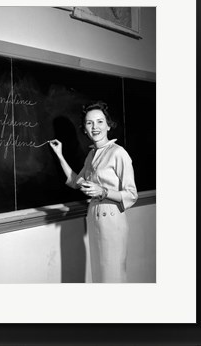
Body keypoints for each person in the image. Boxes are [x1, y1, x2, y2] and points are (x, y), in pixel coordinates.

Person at [49, 101, 137, 283]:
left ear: (108, 125)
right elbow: (76, 182)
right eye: (89, 123)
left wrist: (103, 191)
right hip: (94, 220)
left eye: (99, 121)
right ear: (85, 128)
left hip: (113, 221)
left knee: (112, 278)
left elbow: (131, 194)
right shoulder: (91, 155)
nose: (95, 127)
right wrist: (59, 155)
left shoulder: (118, 153)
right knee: (99, 276)